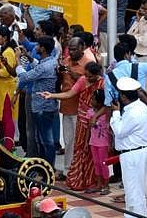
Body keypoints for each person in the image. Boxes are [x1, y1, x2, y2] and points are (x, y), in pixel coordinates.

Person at [41, 62, 104, 192]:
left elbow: (106, 104)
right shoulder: (82, 80)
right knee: (80, 148)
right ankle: (79, 179)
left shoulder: (103, 83)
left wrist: (95, 116)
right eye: (85, 75)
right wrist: (52, 95)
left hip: (96, 123)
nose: (87, 78)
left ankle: (95, 182)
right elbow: (69, 94)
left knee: (93, 151)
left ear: (97, 75)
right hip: (82, 120)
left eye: (90, 76)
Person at [110, 77, 147, 218]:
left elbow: (119, 130)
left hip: (134, 153)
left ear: (124, 97)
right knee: (130, 188)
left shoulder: (134, 112)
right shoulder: (137, 107)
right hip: (132, 153)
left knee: (135, 189)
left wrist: (114, 113)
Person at [16, 36, 60, 167]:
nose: (35, 48)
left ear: (43, 49)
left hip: (42, 107)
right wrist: (29, 58)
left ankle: (48, 167)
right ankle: (45, 166)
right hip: (44, 106)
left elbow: (25, 77)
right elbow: (38, 65)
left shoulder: (45, 67)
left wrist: (18, 59)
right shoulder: (50, 61)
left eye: (37, 46)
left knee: (45, 140)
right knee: (42, 138)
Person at [58, 37, 96, 173]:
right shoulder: (66, 61)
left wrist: (71, 72)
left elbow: (89, 84)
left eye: (74, 49)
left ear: (82, 48)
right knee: (68, 141)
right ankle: (67, 170)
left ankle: (79, 170)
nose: (71, 52)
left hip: (81, 110)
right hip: (66, 106)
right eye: (70, 49)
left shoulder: (88, 63)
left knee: (79, 142)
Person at [0, 26, 19, 150]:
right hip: (0, 89)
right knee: (2, 118)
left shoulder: (8, 52)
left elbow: (6, 73)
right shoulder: (2, 50)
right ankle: (5, 143)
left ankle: (9, 145)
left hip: (6, 91)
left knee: (7, 118)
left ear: (5, 38)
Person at [89, 89, 112, 194]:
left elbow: (110, 129)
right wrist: (86, 141)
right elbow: (88, 129)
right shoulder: (90, 112)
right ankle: (99, 184)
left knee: (104, 164)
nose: (91, 100)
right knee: (96, 163)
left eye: (93, 99)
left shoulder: (107, 113)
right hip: (93, 142)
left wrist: (110, 144)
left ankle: (106, 185)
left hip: (103, 143)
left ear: (100, 102)